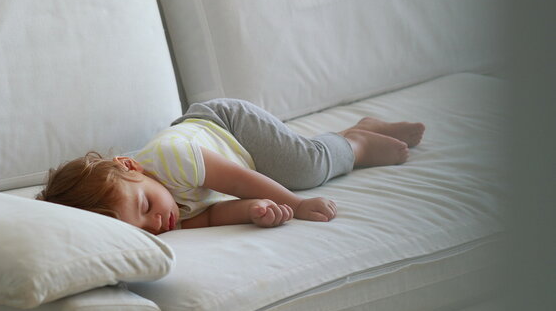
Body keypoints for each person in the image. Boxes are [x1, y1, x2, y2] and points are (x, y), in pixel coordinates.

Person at [37, 99, 425, 235]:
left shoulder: (171, 158)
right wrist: (253, 212)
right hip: (221, 149)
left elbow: (241, 180)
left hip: (230, 126)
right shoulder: (161, 221)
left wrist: (296, 203)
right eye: (140, 229)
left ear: (130, 166)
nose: (154, 224)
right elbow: (208, 217)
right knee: (297, 163)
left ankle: (359, 140)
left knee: (303, 168)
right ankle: (349, 134)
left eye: (144, 207)